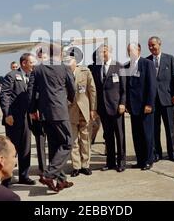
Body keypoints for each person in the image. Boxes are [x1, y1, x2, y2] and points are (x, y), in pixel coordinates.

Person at [28, 44, 76, 192]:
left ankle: (61, 180)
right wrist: (67, 100)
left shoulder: (37, 69)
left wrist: (32, 110)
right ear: (59, 54)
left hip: (44, 114)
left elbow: (31, 91)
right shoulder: (64, 68)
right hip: (60, 112)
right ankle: (49, 175)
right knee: (68, 143)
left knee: (55, 145)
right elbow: (72, 89)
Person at [0, 53, 35, 185]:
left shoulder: (31, 76)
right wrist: (7, 114)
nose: (33, 65)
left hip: (27, 119)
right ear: (24, 63)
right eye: (31, 62)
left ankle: (24, 176)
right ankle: (7, 178)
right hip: (13, 118)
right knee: (11, 149)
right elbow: (5, 95)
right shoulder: (12, 75)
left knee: (26, 148)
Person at [91, 44, 126, 172]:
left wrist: (122, 103)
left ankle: (121, 162)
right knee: (108, 136)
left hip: (117, 107)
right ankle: (110, 162)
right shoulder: (96, 68)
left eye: (104, 52)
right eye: (100, 52)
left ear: (110, 52)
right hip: (103, 108)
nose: (102, 54)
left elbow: (124, 88)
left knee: (120, 136)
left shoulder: (119, 66)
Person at [147, 36, 174, 162]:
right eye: (149, 45)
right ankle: (157, 153)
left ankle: (172, 153)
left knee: (169, 128)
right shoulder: (147, 61)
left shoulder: (169, 58)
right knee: (155, 129)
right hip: (153, 101)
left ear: (159, 44)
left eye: (153, 45)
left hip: (167, 99)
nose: (151, 48)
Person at [125, 43, 156, 170]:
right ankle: (140, 160)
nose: (130, 52)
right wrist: (126, 104)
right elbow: (126, 87)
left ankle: (149, 160)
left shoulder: (147, 64)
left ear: (139, 50)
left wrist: (149, 103)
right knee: (136, 135)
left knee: (147, 134)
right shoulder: (126, 66)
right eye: (128, 50)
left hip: (145, 106)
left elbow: (152, 85)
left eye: (132, 50)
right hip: (133, 107)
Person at [65, 54, 97, 177]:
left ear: (75, 62)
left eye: (70, 62)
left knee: (85, 138)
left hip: (84, 109)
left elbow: (92, 90)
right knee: (73, 140)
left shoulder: (85, 71)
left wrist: (93, 109)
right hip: (70, 110)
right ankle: (76, 166)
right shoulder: (63, 73)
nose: (68, 65)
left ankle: (85, 165)